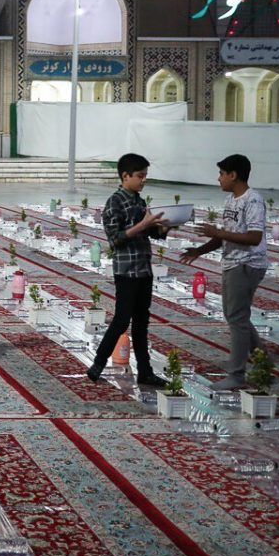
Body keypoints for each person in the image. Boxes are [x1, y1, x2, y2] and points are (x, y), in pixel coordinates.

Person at [181, 154, 269, 391]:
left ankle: (237, 375)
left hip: (247, 263)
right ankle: (261, 357)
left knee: (236, 317)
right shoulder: (232, 201)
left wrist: (216, 232)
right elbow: (227, 235)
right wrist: (200, 250)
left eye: (221, 174)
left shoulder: (252, 201)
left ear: (234, 175)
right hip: (233, 262)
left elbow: (254, 237)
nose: (218, 178)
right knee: (237, 315)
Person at [86, 152, 170, 386]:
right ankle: (98, 363)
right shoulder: (115, 202)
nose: (144, 180)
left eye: (145, 176)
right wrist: (143, 224)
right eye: (140, 176)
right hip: (126, 270)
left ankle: (145, 371)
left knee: (142, 321)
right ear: (125, 176)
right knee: (122, 320)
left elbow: (151, 233)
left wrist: (164, 226)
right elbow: (115, 239)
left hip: (143, 268)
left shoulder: (139, 201)